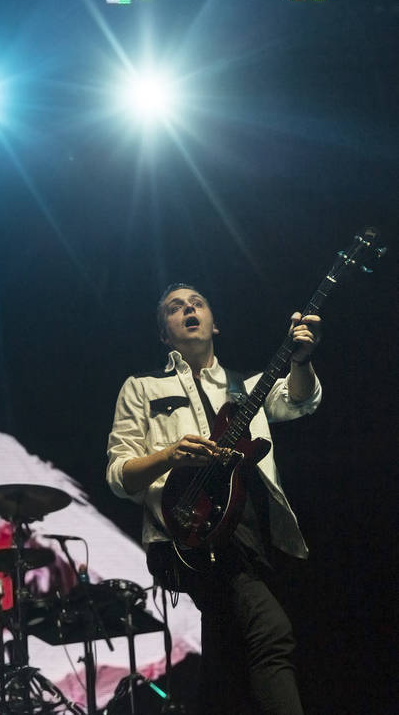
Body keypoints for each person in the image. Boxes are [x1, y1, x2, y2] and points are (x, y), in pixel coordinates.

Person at [106, 283, 321, 714]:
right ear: (164, 334)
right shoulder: (141, 388)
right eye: (175, 308)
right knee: (271, 634)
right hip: (189, 534)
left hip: (257, 534)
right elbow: (118, 475)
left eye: (197, 303)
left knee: (229, 658)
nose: (189, 310)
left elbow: (300, 400)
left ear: (213, 323)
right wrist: (170, 454)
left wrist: (302, 360)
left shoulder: (248, 388)